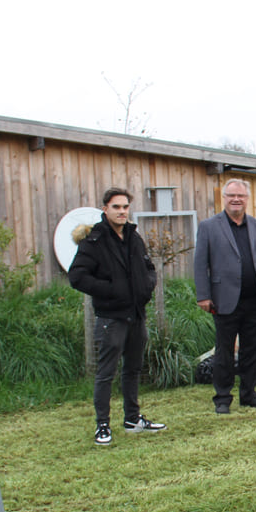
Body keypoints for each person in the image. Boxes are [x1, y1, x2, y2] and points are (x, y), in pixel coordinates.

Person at [68, 186, 167, 445]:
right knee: (106, 372)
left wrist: (146, 286)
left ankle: (132, 419)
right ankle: (102, 425)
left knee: (133, 369)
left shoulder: (134, 237)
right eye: (116, 207)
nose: (122, 211)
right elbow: (77, 277)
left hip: (136, 315)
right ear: (105, 209)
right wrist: (112, 291)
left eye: (125, 207)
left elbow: (148, 267)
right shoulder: (94, 241)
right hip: (111, 318)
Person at [194, 179, 256, 414]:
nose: (236, 199)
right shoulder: (209, 226)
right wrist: (203, 295)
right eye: (231, 195)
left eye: (240, 196)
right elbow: (201, 264)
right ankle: (222, 398)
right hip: (224, 300)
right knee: (224, 351)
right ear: (224, 198)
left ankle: (249, 394)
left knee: (252, 351)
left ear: (247, 199)